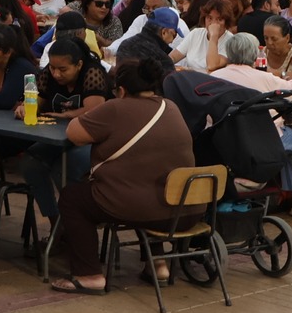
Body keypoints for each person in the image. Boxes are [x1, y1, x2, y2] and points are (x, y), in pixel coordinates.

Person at [41, 56, 198, 294]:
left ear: (121, 90)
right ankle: (158, 265)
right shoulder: (171, 107)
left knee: (73, 198)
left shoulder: (116, 107)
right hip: (183, 210)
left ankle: (89, 275)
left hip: (140, 208)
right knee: (144, 186)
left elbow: (75, 134)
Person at [209, 32, 292, 198]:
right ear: (255, 55)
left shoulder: (213, 77)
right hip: (263, 139)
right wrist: (289, 78)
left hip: (222, 139)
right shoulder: (266, 78)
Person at [19, 37, 110, 228]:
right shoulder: (47, 75)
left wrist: (66, 114)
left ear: (79, 65)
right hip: (56, 137)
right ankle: (56, 221)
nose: (56, 74)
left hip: (90, 139)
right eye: (52, 68)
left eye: (63, 69)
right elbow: (37, 103)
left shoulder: (92, 72)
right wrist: (25, 108)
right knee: (30, 163)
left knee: (65, 167)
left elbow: (94, 111)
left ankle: (77, 223)